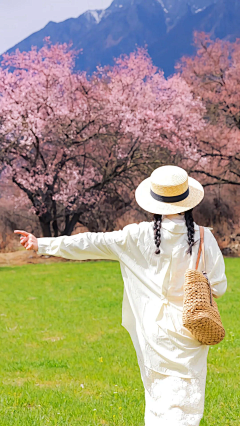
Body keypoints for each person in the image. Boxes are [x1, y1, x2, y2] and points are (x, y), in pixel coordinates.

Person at [14, 165, 227, 426]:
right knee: (185, 401)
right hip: (191, 329)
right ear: (187, 202)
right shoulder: (204, 238)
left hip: (153, 330)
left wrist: (43, 244)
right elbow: (219, 287)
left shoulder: (136, 236)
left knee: (157, 397)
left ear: (154, 203)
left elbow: (91, 242)